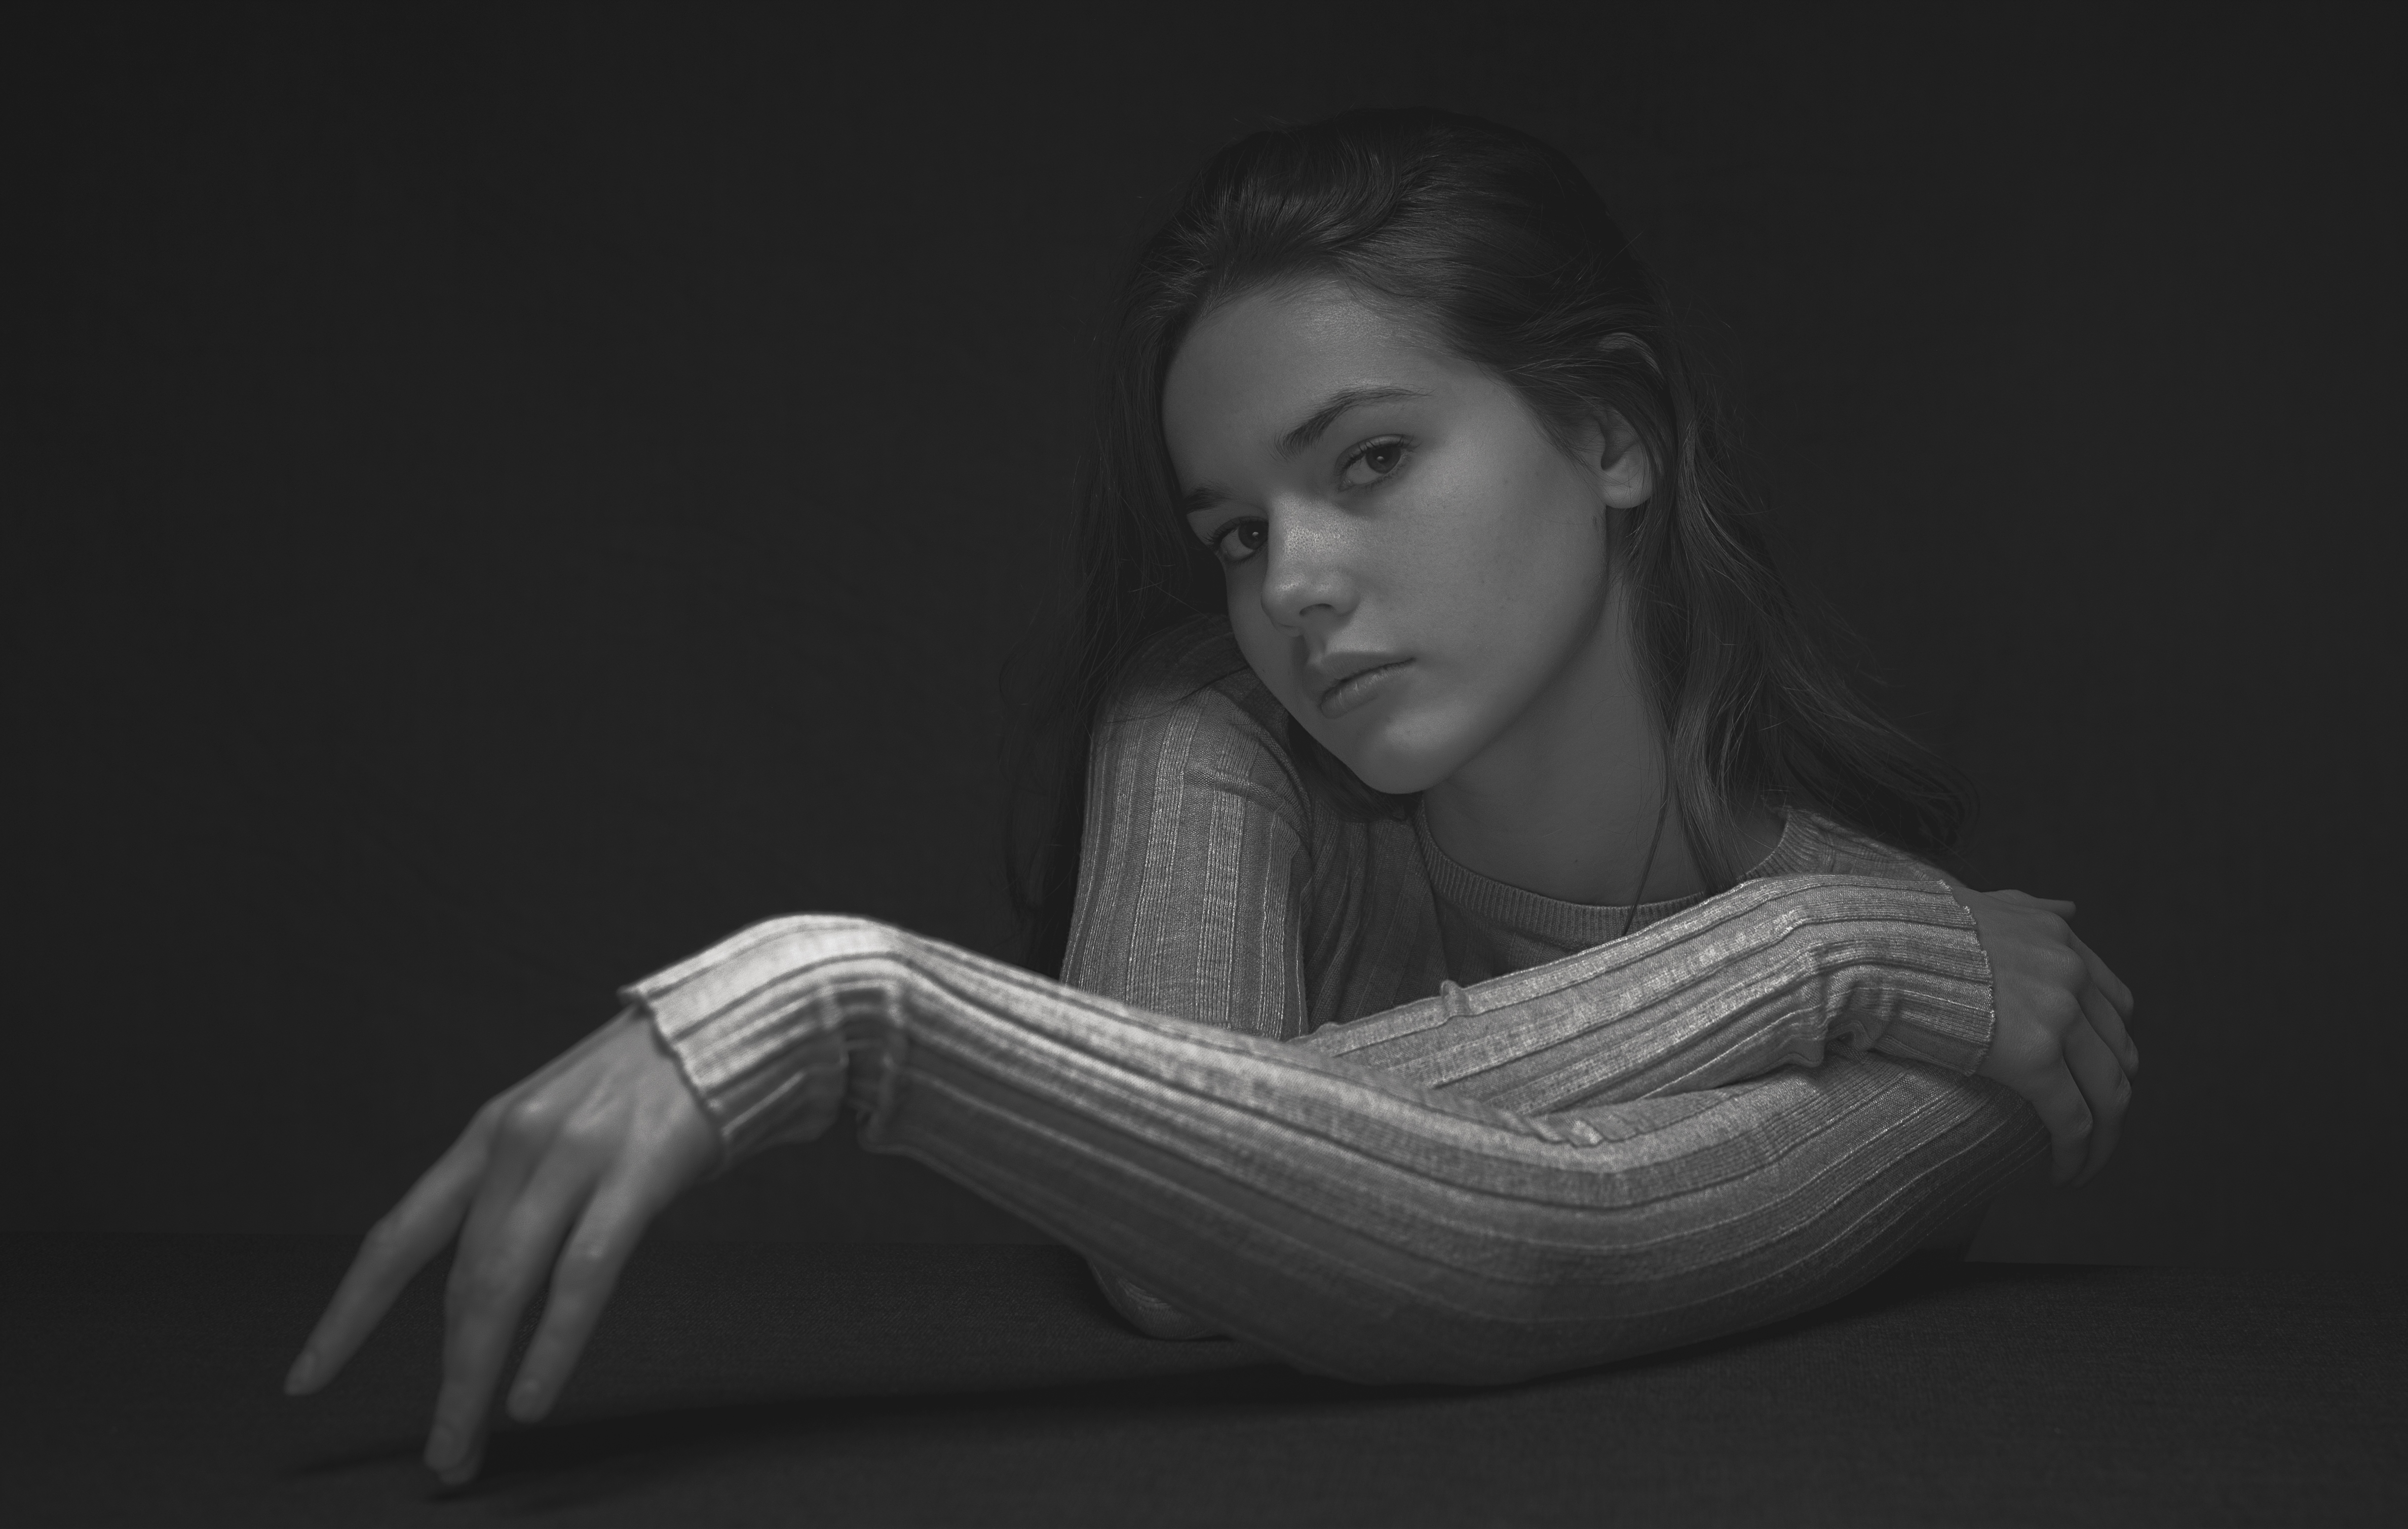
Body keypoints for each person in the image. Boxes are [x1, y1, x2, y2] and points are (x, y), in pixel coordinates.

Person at [284, 108, 2139, 1488]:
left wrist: (854, 1007)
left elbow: (1494, 1247)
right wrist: (1807, 957)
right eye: (1238, 531)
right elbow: (1160, 1244)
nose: (1291, 587)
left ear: (1611, 433)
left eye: (1372, 459)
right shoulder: (1214, 729)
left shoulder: (1991, 1016)